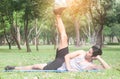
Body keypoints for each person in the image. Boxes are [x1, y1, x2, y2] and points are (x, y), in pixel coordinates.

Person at [5, 2, 110, 71]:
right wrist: (69, 68)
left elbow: (108, 69)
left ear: (93, 56)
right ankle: (57, 14)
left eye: (90, 52)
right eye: (89, 50)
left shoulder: (90, 66)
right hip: (63, 59)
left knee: (36, 66)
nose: (88, 52)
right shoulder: (82, 52)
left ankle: (14, 68)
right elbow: (67, 56)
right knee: (64, 37)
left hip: (59, 66)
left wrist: (99, 59)